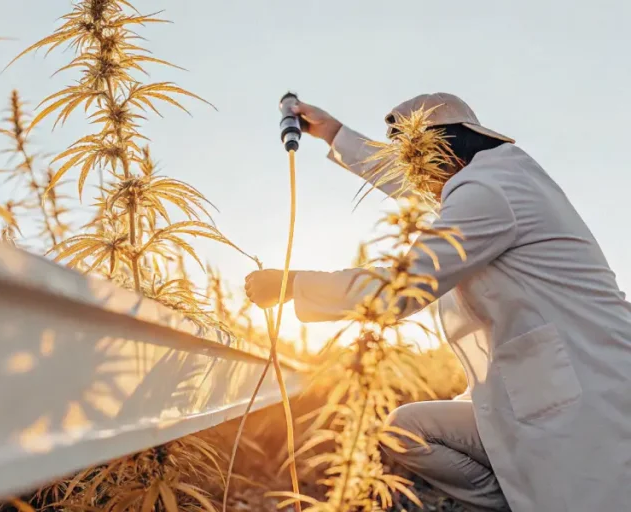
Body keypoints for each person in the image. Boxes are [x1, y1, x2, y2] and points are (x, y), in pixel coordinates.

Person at [244, 92, 631, 512]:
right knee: (406, 430)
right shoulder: (490, 179)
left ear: (443, 148)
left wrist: (293, 285)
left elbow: (401, 287)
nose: (414, 178)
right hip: (541, 390)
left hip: (588, 392)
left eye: (416, 160)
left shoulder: (490, 189)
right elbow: (412, 189)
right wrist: (334, 133)